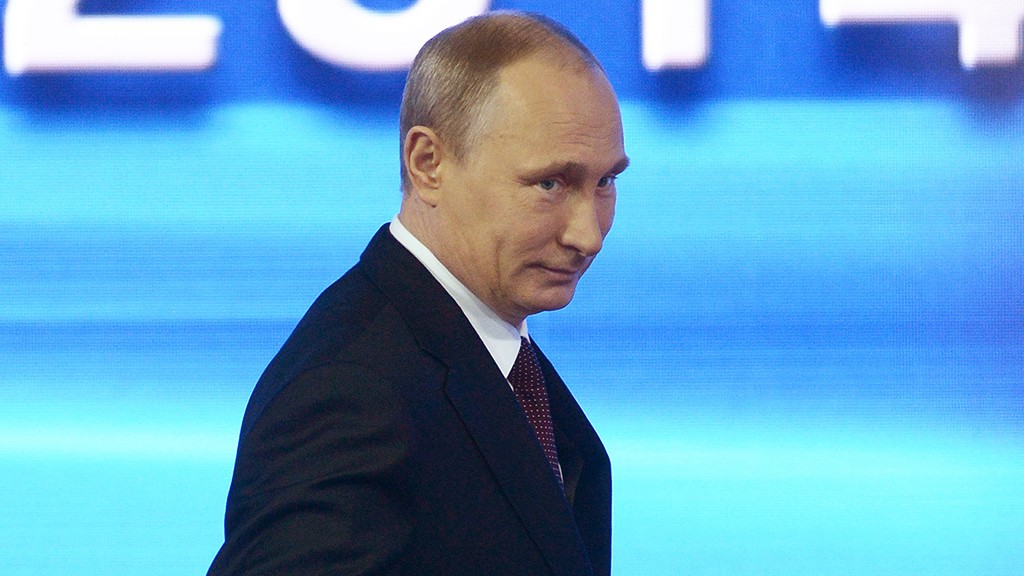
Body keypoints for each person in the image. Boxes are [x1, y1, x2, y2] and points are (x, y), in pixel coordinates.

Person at [207, 10, 628, 576]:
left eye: (606, 182)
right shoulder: (351, 390)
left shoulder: (482, 351)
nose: (588, 234)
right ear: (428, 163)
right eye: (550, 183)